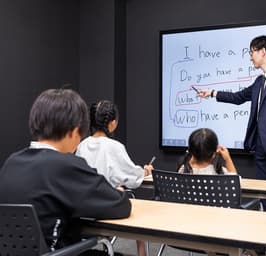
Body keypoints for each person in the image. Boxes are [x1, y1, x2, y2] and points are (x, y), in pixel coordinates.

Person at [0, 89, 131, 253]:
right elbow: (121, 205)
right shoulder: (67, 165)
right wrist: (119, 192)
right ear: (75, 131)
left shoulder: (11, 162)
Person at [198, 35, 266, 212]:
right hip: (261, 148)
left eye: (252, 52)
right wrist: (212, 93)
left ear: (263, 52)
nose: (250, 56)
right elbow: (238, 97)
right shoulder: (259, 82)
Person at [76, 100, 152, 256]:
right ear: (112, 124)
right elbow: (132, 178)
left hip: (82, 212)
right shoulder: (114, 147)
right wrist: (144, 172)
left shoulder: (82, 145)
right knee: (138, 211)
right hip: (105, 211)